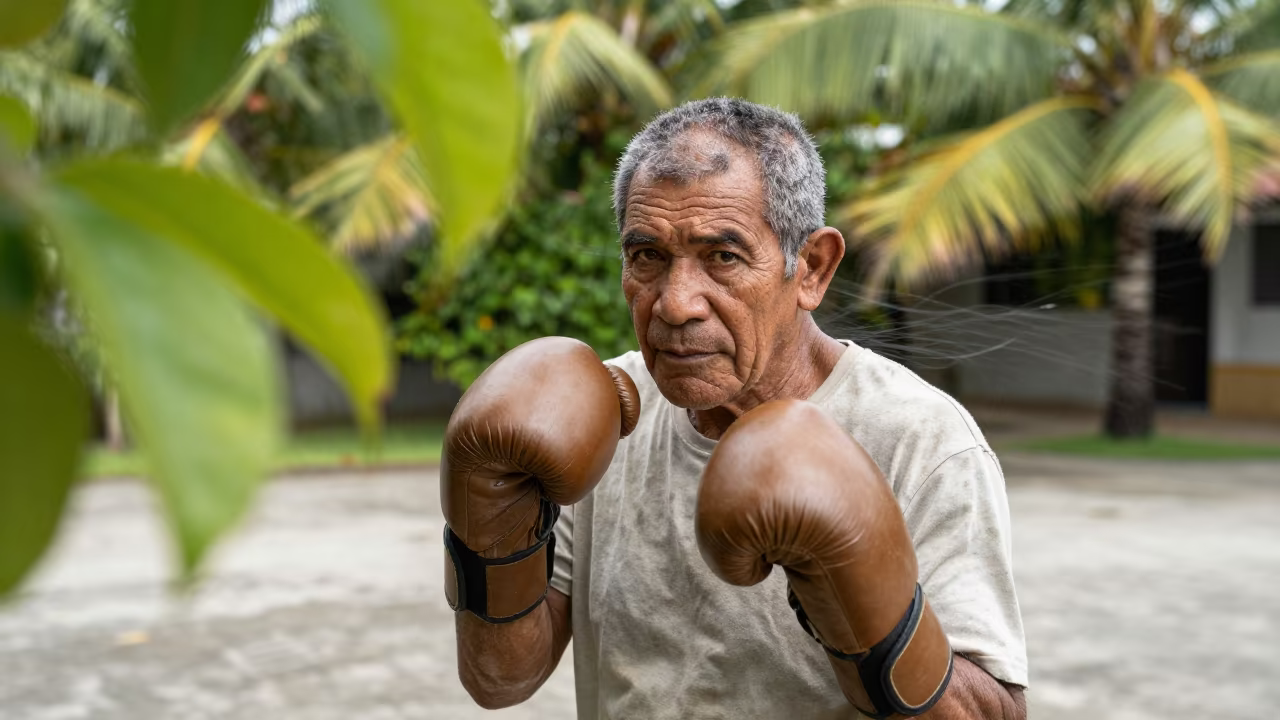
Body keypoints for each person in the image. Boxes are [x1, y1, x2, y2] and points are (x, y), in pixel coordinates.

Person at [440, 98, 1027, 719]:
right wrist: (489, 528)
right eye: (648, 256)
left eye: (723, 256)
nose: (676, 303)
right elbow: (499, 679)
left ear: (812, 269)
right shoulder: (600, 416)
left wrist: (873, 615)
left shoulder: (919, 437)